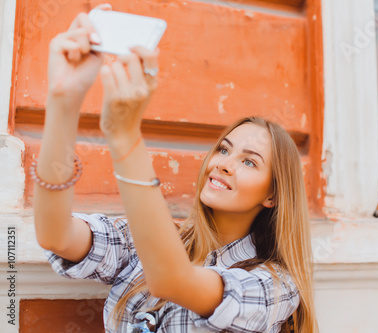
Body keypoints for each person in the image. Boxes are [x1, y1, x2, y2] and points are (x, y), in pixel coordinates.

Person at [33, 4, 318, 333]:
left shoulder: (275, 286)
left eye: (249, 161)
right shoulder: (148, 237)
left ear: (272, 195)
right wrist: (63, 100)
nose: (224, 164)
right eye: (224, 149)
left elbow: (171, 280)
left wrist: (126, 135)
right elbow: (55, 234)